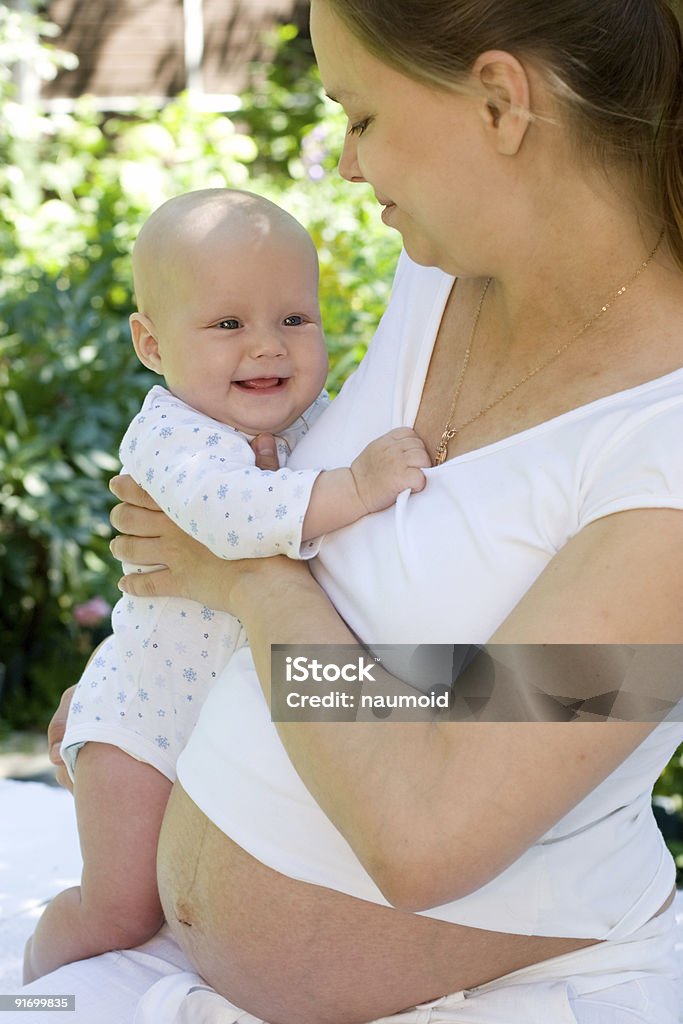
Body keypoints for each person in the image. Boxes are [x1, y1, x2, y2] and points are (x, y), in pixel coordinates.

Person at [13, 0, 683, 1021]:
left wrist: (249, 579)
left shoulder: (666, 452)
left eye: (359, 115)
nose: (344, 164)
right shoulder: (440, 276)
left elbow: (424, 827)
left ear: (500, 102)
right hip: (173, 962)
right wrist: (160, 698)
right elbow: (386, 616)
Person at [22, 187, 430, 984]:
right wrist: (357, 484)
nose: (267, 348)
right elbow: (236, 519)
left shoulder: (316, 427)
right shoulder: (173, 434)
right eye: (227, 325)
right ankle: (38, 981)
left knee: (172, 894)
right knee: (120, 908)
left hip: (226, 728)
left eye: (293, 319)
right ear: (151, 343)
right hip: (141, 725)